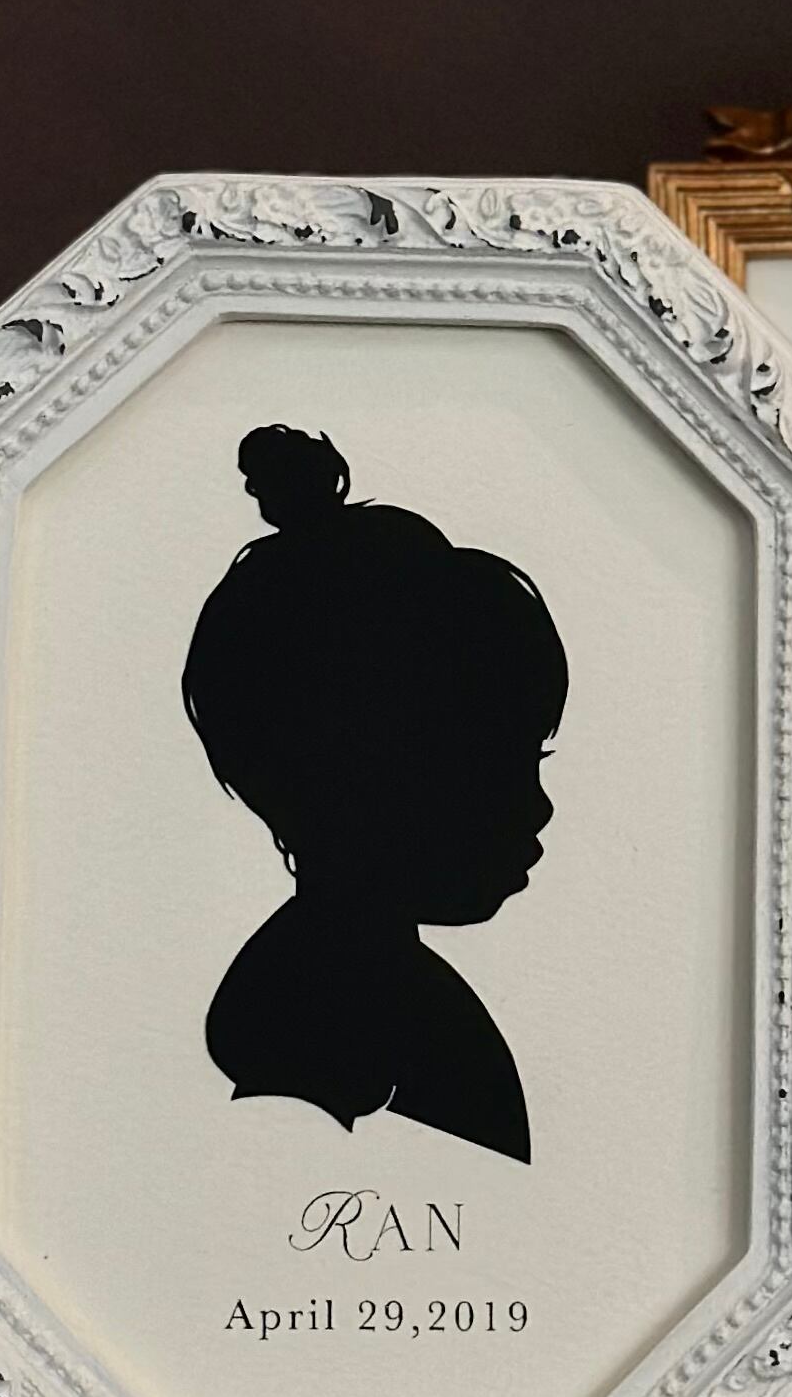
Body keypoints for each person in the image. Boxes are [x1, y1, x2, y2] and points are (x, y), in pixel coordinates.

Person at [181, 425, 566, 1161]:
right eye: (502, 762)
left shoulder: (372, 989)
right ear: (368, 775)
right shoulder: (318, 1028)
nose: (538, 805)